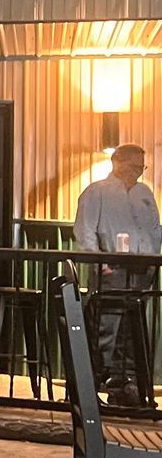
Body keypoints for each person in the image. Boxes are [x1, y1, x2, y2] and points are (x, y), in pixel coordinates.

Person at [76, 144, 162, 401]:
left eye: (141, 167)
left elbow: (154, 229)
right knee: (105, 330)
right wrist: (99, 263)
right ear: (117, 162)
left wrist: (153, 260)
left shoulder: (144, 193)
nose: (137, 172)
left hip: (141, 269)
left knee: (132, 331)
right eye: (133, 166)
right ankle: (90, 388)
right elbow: (85, 230)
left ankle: (124, 387)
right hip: (111, 269)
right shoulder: (97, 191)